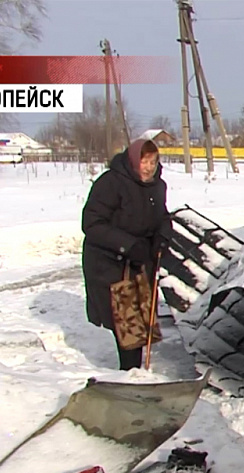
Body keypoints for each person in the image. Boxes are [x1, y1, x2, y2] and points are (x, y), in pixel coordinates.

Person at [81, 139, 172, 370]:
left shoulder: (157, 186)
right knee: (126, 323)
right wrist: (127, 245)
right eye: (144, 161)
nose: (149, 167)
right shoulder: (111, 183)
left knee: (141, 320)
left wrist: (163, 236)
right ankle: (130, 373)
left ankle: (134, 372)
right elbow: (92, 223)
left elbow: (162, 216)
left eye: (153, 161)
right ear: (133, 160)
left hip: (141, 260)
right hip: (111, 261)